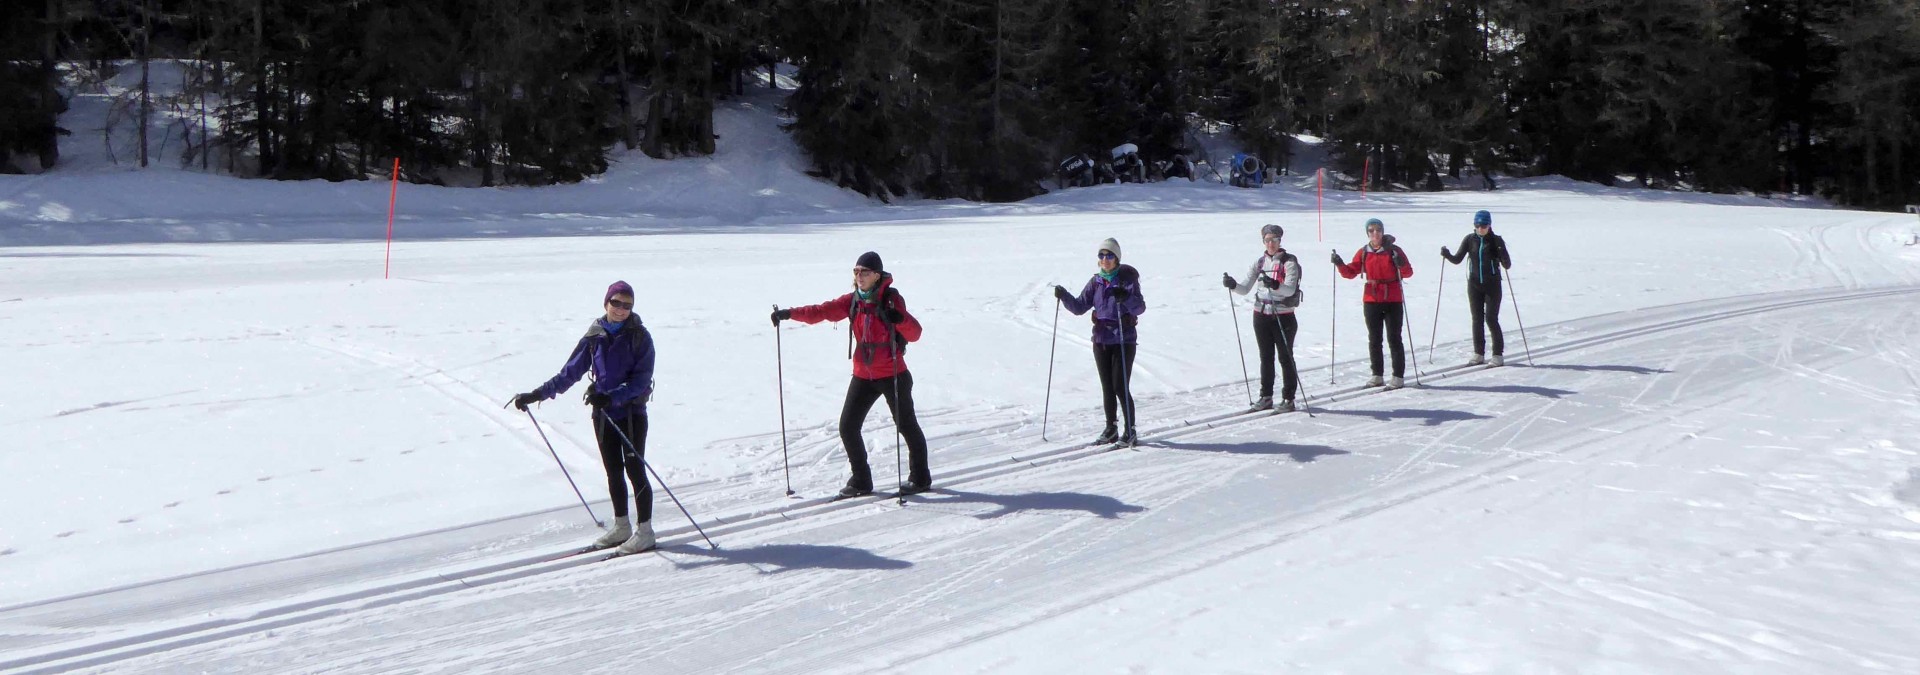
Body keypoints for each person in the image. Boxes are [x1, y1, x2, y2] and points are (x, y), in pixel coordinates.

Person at [512, 281, 658, 554]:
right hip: (603, 415)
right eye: (616, 303)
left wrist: (612, 396)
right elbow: (569, 373)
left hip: (631, 414)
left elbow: (641, 380)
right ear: (606, 303)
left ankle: (645, 531)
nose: (621, 309)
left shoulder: (640, 337)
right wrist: (536, 394)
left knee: (635, 471)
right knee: (613, 470)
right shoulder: (594, 337)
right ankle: (622, 526)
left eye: (627, 305)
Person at [770, 252, 931, 498]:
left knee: (906, 426)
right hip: (863, 375)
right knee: (848, 426)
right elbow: (821, 311)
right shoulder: (853, 300)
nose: (859, 276)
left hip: (893, 373)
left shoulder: (891, 300)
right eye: (856, 272)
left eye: (864, 272)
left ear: (877, 275)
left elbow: (915, 333)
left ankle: (920, 478)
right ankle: (861, 481)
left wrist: (900, 319)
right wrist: (789, 314)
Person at [1055, 238, 1147, 446]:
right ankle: (1111, 428)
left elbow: (1140, 308)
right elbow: (1080, 307)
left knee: (1120, 386)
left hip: (1124, 339)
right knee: (1107, 387)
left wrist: (1126, 297)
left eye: (1109, 256)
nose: (1105, 260)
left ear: (1117, 258)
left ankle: (1130, 430)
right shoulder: (1096, 282)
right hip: (1101, 339)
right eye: (1101, 256)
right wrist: (1064, 296)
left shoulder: (1127, 280)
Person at [1223, 224, 1303, 412]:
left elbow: (1290, 288)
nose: (1271, 244)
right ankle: (1266, 396)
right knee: (1266, 357)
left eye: (1274, 240)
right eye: (1267, 240)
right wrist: (1232, 285)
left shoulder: (1289, 262)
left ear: (1279, 241)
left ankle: (1288, 398)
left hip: (1283, 315)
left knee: (1285, 357)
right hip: (1261, 314)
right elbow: (1244, 288)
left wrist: (1274, 284)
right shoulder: (1259, 262)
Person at [1332, 219, 1414, 389]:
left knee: (1394, 338)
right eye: (1371, 230)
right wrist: (1339, 263)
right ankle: (1377, 375)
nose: (1375, 233)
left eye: (1378, 230)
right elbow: (1350, 273)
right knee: (1374, 339)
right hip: (1371, 299)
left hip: (1393, 298)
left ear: (1382, 232)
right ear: (1367, 233)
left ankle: (1398, 376)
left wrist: (1401, 263)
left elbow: (1408, 272)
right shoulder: (1364, 252)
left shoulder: (1393, 250)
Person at [1441, 210, 1513, 366]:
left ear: (1489, 225)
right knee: (1477, 319)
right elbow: (1457, 259)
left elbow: (1507, 265)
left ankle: (1497, 355)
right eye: (1477, 225)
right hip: (1474, 285)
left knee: (1491, 319)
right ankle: (1478, 353)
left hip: (1492, 286)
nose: (1480, 229)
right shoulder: (1470, 239)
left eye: (1484, 225)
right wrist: (1447, 255)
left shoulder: (1495, 241)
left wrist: (1501, 253)